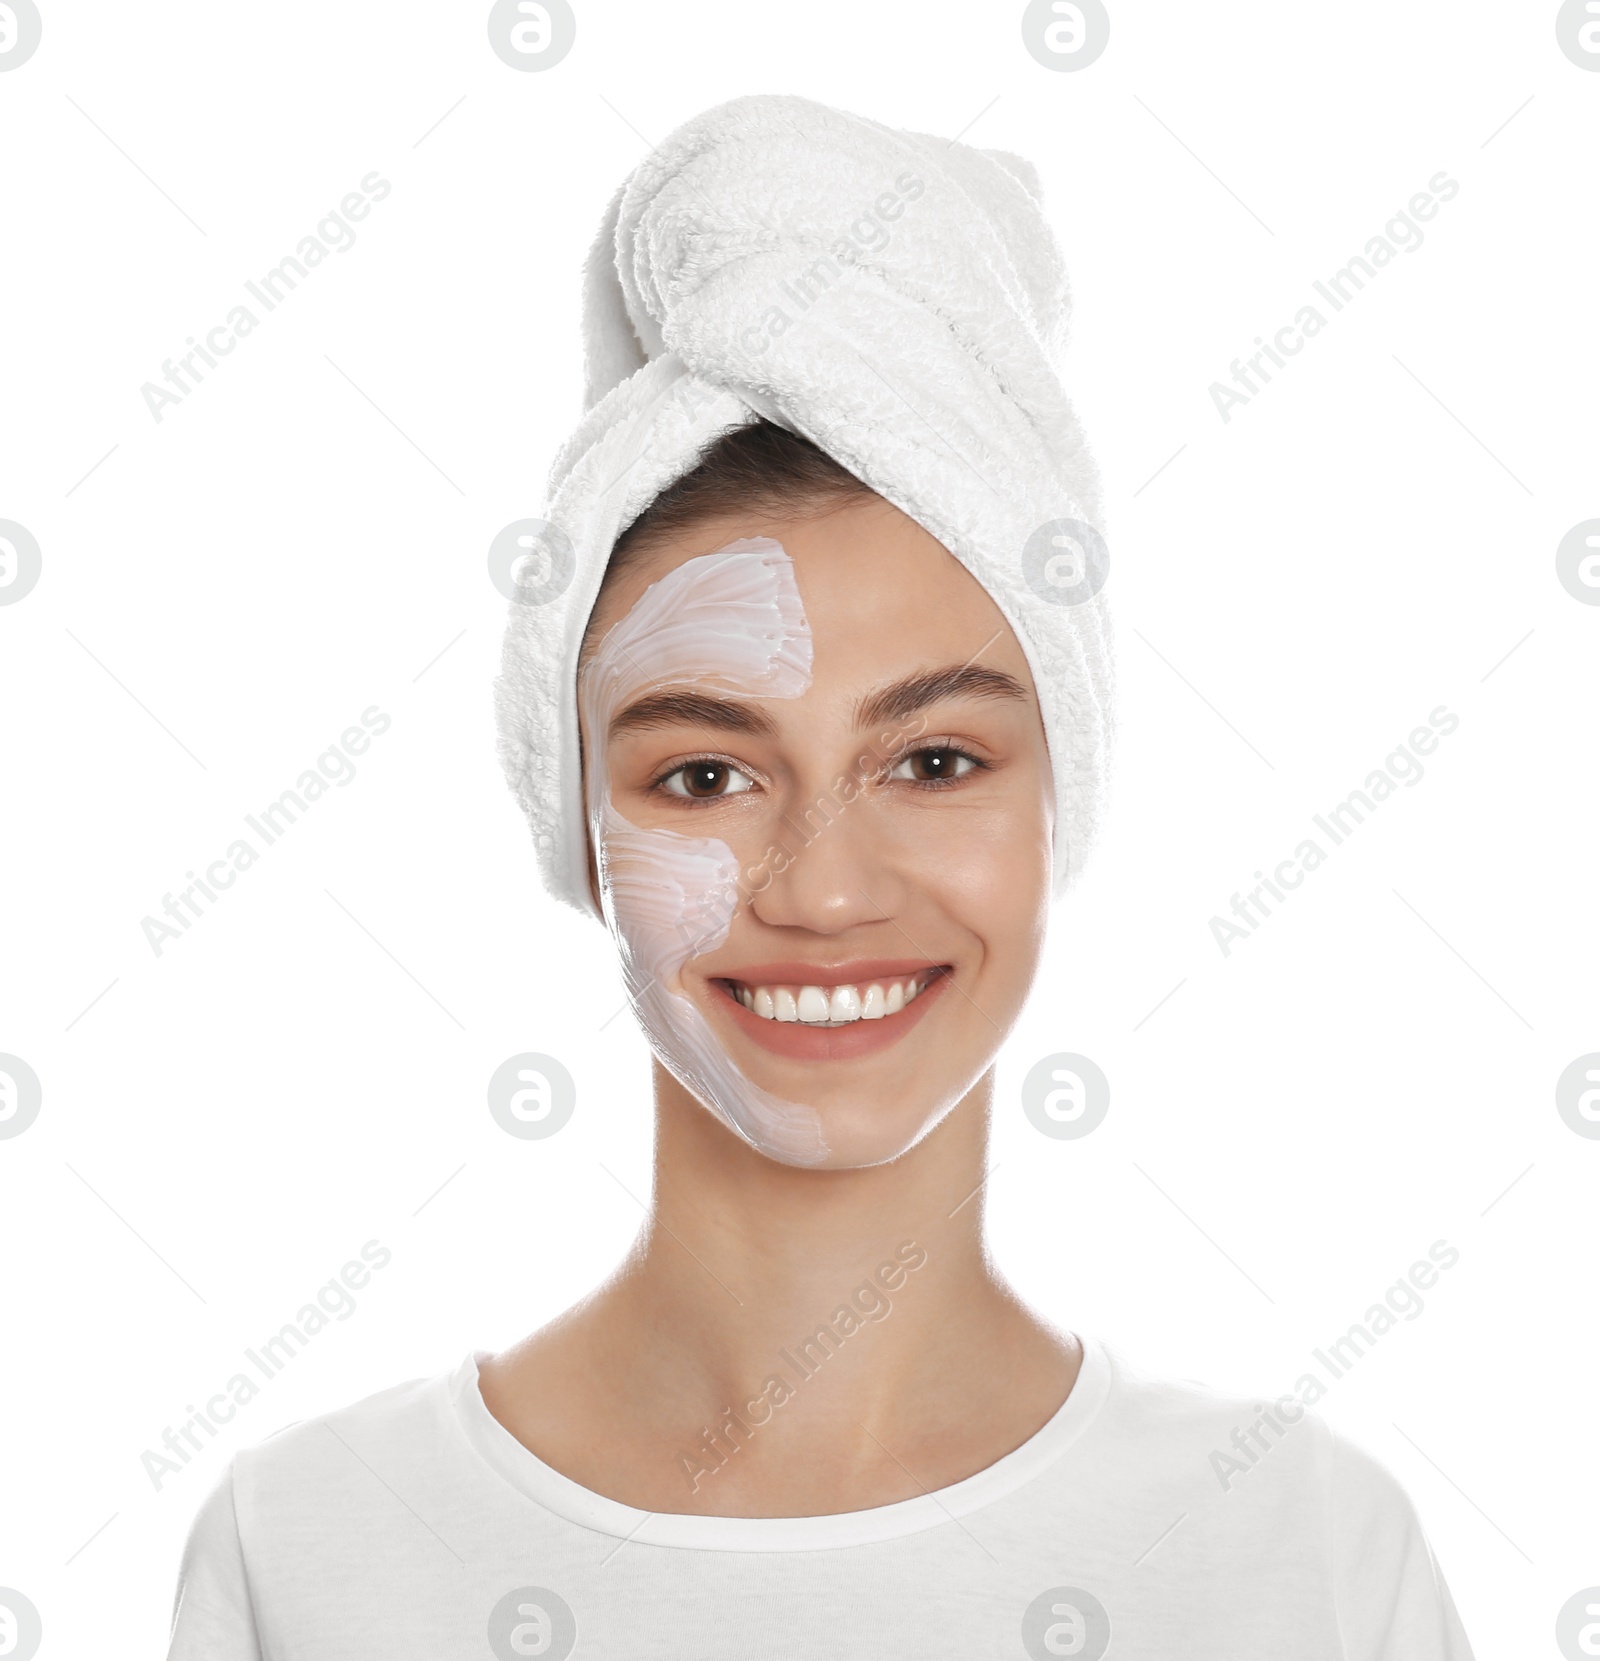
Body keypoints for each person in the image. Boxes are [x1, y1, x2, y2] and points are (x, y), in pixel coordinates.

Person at [166, 96, 1476, 1659]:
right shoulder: (319, 1549)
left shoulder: (1300, 1554)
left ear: (1066, 790)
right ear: (579, 823)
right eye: (706, 773)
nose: (826, 889)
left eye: (932, 761)